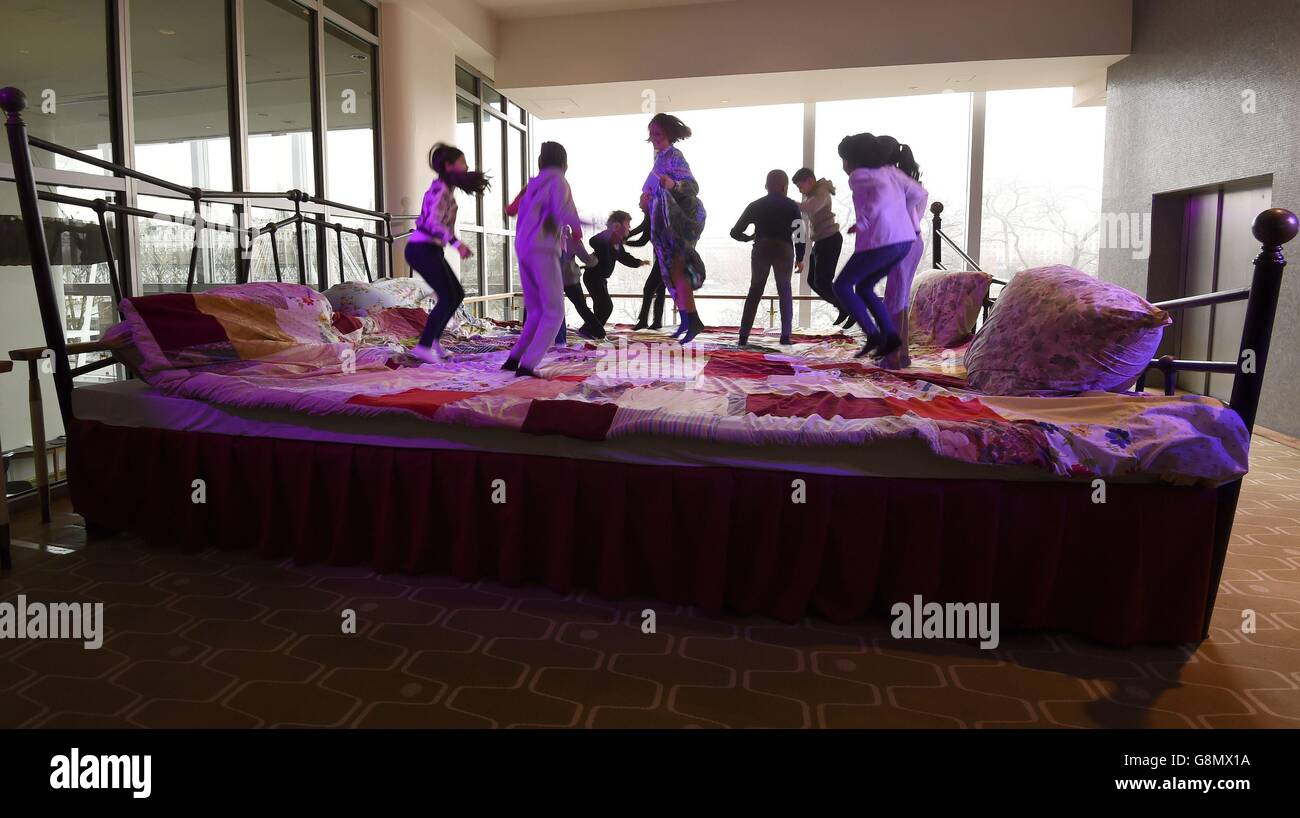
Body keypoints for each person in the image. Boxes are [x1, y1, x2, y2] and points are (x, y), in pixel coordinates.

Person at [832, 132, 928, 360]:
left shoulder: (866, 177)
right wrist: (906, 218)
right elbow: (919, 194)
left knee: (889, 295)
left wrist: (875, 220)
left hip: (893, 240)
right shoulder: (895, 174)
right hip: (908, 240)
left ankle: (890, 353)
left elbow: (875, 203)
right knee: (889, 294)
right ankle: (897, 352)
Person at [503, 141, 582, 377]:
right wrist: (579, 229)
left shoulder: (533, 183)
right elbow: (569, 218)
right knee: (555, 311)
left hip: (523, 248)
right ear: (564, 163)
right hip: (544, 249)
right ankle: (528, 364)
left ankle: (514, 358)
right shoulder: (560, 181)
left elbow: (510, 209)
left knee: (536, 310)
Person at [406, 143, 490, 363]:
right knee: (447, 295)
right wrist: (456, 243)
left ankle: (433, 341)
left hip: (430, 249)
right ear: (449, 165)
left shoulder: (446, 189)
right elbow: (433, 223)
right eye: (462, 162)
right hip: (420, 248)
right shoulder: (440, 189)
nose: (467, 166)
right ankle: (423, 347)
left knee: (456, 294)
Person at [643, 113, 708, 344]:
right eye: (651, 134)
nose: (654, 138)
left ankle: (692, 321)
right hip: (669, 221)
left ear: (668, 134)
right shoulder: (660, 158)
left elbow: (693, 187)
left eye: (658, 133)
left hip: (684, 218)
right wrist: (648, 198)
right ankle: (686, 320)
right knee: (671, 272)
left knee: (678, 270)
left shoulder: (674, 155)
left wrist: (672, 184)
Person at [730, 169, 802, 346]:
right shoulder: (792, 206)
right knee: (784, 289)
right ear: (785, 187)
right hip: (784, 248)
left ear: (766, 186)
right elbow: (800, 234)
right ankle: (785, 336)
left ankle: (743, 335)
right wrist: (800, 257)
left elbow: (735, 232)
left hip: (762, 246)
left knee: (755, 290)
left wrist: (749, 238)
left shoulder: (755, 205)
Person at [876, 135, 927, 368]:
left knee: (894, 300)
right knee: (900, 299)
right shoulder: (907, 180)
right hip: (914, 242)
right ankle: (901, 354)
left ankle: (893, 357)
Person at [791, 167, 846, 326]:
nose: (800, 190)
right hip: (821, 241)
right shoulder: (813, 195)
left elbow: (809, 208)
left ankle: (848, 307)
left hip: (830, 239)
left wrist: (787, 201)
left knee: (822, 281)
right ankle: (843, 306)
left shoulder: (821, 191)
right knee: (812, 280)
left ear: (809, 181)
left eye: (800, 186)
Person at [584, 210, 649, 337]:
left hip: (601, 279)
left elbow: (624, 257)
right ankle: (589, 330)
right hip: (593, 277)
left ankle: (592, 331)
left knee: (601, 307)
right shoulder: (607, 237)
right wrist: (609, 232)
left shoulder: (617, 243)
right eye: (627, 223)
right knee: (607, 307)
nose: (629, 227)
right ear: (617, 225)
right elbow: (593, 241)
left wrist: (639, 262)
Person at [558, 225, 597, 344]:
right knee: (581, 306)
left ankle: (556, 339)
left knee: (555, 309)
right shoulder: (571, 239)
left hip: (551, 278)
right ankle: (598, 332)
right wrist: (596, 257)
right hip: (570, 278)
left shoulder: (544, 238)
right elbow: (587, 260)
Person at [628, 210, 665, 330]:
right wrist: (625, 238)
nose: (639, 205)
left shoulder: (653, 213)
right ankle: (656, 321)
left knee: (649, 288)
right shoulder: (653, 214)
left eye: (641, 200)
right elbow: (642, 234)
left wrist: (624, 239)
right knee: (660, 288)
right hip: (663, 256)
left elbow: (642, 239)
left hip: (665, 257)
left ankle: (644, 321)